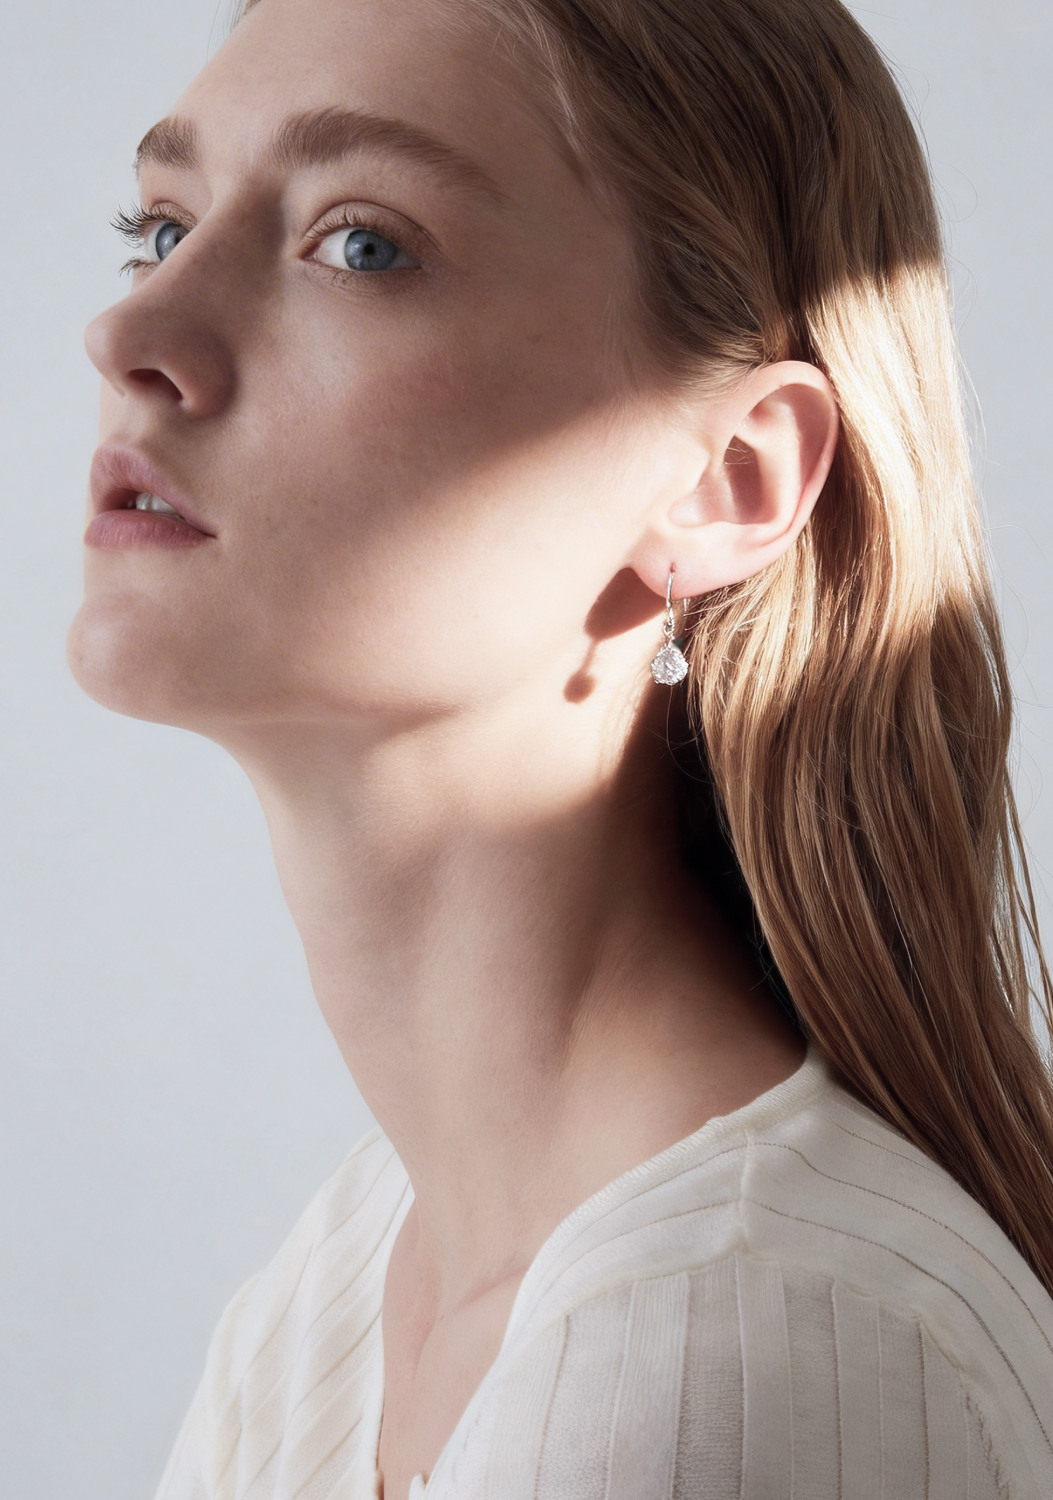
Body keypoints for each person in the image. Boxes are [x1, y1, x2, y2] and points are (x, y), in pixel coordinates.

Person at [68, 0, 1053, 1493]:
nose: (132, 334)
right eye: (160, 228)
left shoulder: (740, 1344)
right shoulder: (344, 1285)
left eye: (361, 243)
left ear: (726, 481)